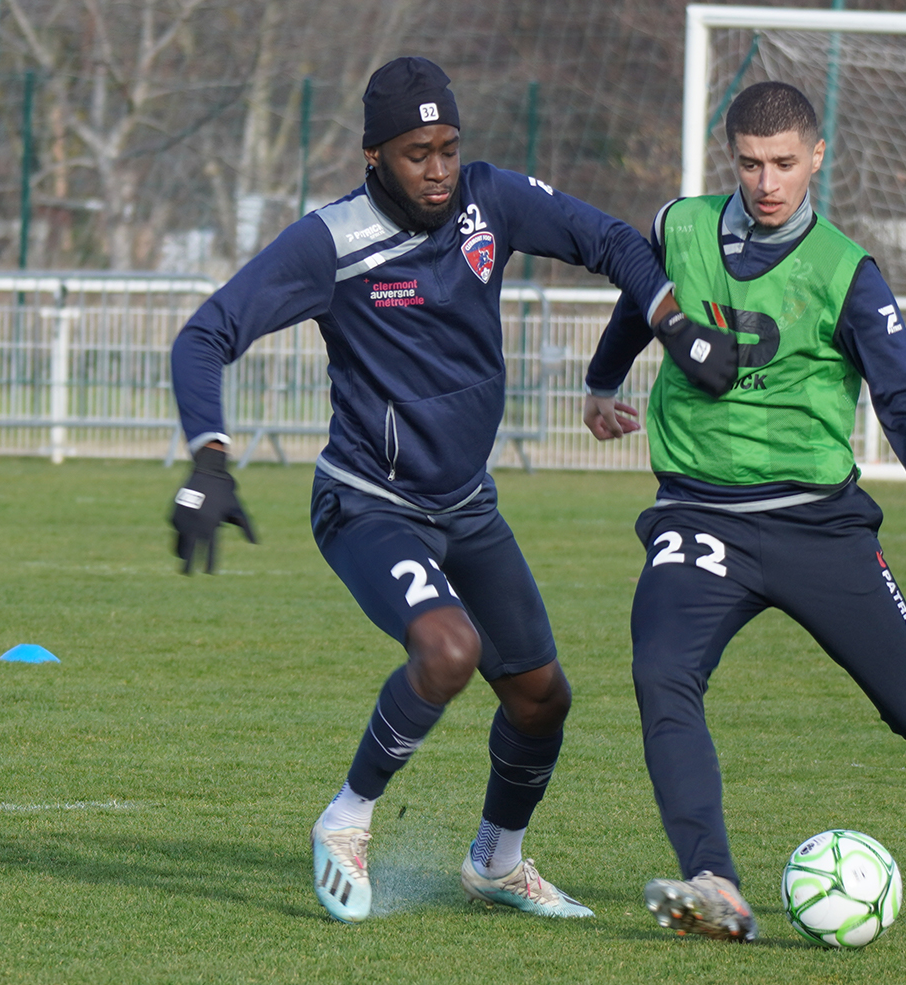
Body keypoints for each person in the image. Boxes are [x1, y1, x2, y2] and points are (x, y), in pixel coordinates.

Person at [169, 56, 679, 924]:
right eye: (416, 153)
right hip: (366, 504)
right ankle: (346, 818)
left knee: (542, 696)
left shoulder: (491, 200)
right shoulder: (330, 241)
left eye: (448, 147)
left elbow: (612, 241)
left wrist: (669, 317)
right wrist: (209, 457)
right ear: (374, 156)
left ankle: (497, 861)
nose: (438, 169)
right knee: (448, 652)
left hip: (465, 504)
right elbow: (206, 333)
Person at [581, 81, 906, 942]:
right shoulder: (679, 227)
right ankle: (713, 878)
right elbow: (644, 301)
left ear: (816, 157)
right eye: (750, 164)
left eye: (784, 163)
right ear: (731, 160)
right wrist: (604, 383)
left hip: (818, 525)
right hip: (698, 516)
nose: (767, 181)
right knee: (661, 674)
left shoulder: (847, 272)